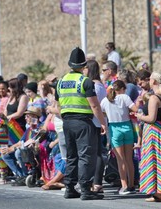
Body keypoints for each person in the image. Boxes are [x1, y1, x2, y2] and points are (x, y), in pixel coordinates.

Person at [56, 47, 107, 200]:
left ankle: (70, 188)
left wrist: (66, 117)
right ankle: (85, 189)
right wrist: (102, 123)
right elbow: (95, 105)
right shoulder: (85, 81)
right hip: (84, 122)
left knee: (71, 156)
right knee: (86, 156)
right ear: (83, 65)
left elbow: (58, 105)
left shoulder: (61, 82)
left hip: (67, 122)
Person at [136, 72, 161, 202]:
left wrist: (139, 116)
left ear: (153, 81)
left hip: (154, 132)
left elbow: (151, 118)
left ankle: (159, 192)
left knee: (154, 160)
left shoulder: (154, 98)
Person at [100, 80, 138, 195]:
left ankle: (124, 185)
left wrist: (109, 114)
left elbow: (101, 111)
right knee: (129, 159)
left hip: (114, 128)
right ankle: (131, 185)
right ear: (122, 89)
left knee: (120, 160)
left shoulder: (106, 100)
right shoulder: (125, 97)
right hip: (127, 127)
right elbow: (135, 109)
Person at [2, 106, 43, 186]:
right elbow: (21, 142)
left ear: (34, 117)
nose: (25, 118)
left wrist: (14, 148)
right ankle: (21, 175)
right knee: (6, 155)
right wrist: (10, 148)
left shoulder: (40, 127)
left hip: (35, 150)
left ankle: (26, 175)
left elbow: (33, 140)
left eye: (27, 116)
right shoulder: (29, 129)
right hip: (26, 149)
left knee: (18, 152)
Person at [84, 59, 107, 193]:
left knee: (96, 152)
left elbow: (94, 105)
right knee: (97, 151)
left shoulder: (94, 86)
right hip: (98, 121)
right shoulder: (100, 85)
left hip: (94, 121)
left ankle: (97, 182)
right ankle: (96, 181)